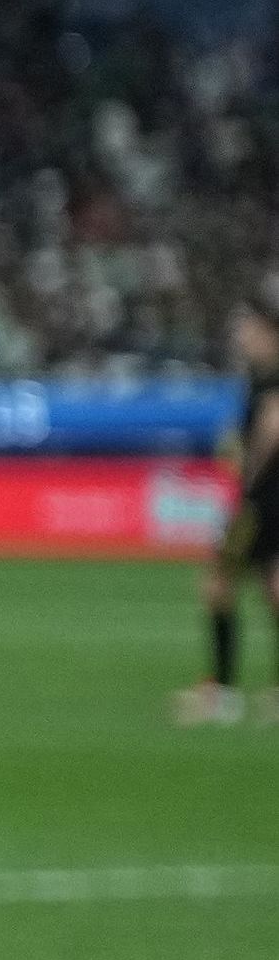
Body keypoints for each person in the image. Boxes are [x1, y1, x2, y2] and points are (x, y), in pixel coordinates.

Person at [180, 302, 279, 723]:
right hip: (268, 496)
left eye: (250, 330)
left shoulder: (271, 379)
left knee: (218, 583)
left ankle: (221, 692)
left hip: (263, 499)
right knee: (272, 587)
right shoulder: (256, 378)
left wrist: (248, 477)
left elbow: (272, 429)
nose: (243, 338)